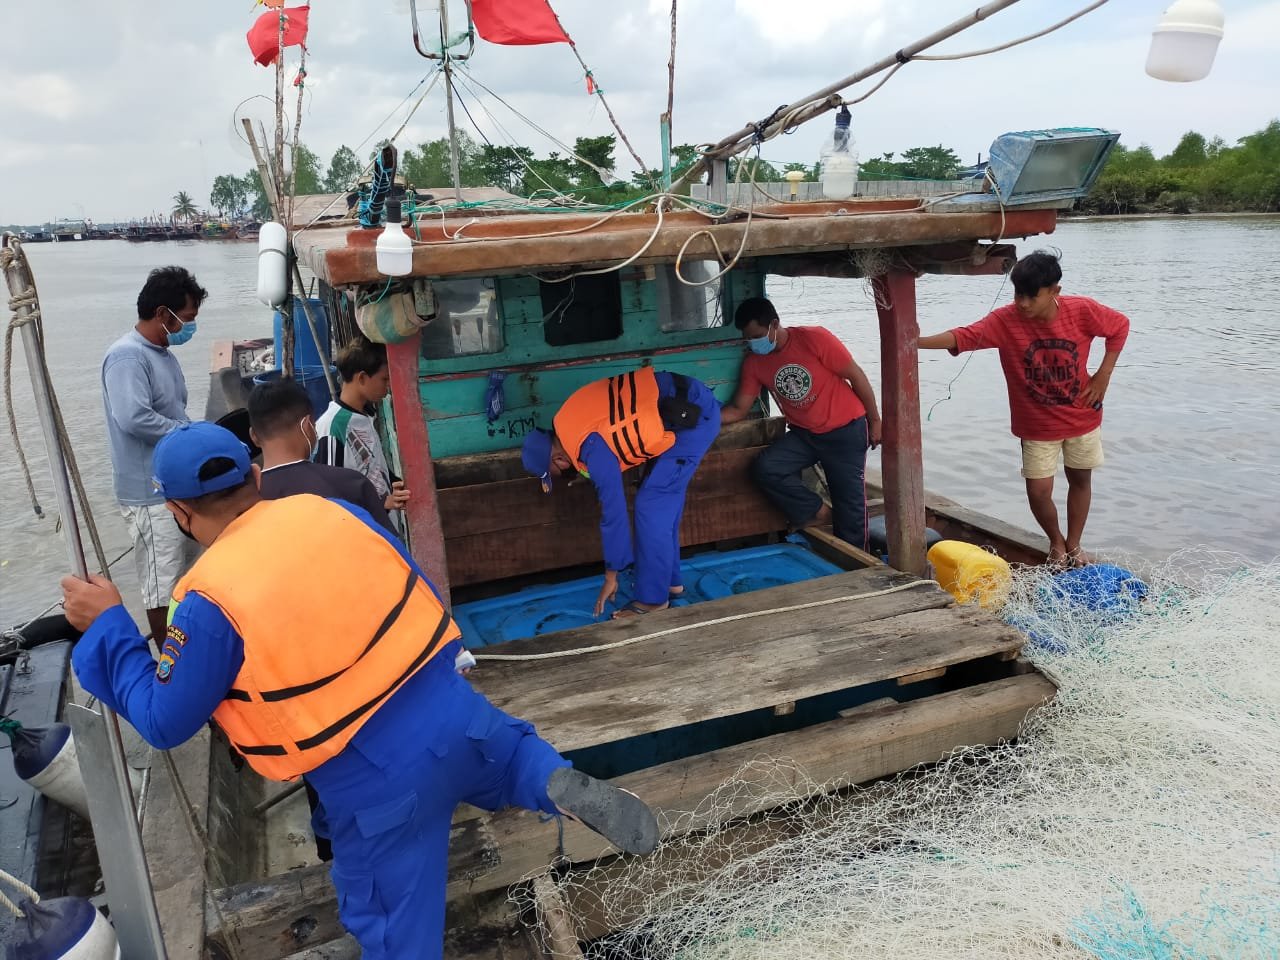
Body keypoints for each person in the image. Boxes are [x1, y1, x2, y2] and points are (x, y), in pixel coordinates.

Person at [60, 422, 658, 960]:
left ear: (175, 512)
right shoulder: (330, 512)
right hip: (458, 714)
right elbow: (408, 581)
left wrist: (111, 624)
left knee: (397, 927)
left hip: (375, 781)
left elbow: (165, 720)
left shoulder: (208, 598)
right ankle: (547, 779)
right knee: (509, 756)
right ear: (258, 475)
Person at [917, 250, 1129, 565]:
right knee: (1039, 491)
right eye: (1018, 294)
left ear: (1055, 291)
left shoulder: (1081, 311)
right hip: (1037, 424)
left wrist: (1103, 376)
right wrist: (915, 342)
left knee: (1081, 481)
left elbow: (1119, 327)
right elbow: (963, 336)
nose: (1023, 303)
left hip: (1083, 415)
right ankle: (1055, 541)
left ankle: (1074, 545)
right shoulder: (1006, 320)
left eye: (1032, 296)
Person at [521, 368, 720, 618]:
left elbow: (613, 513)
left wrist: (611, 576)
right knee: (661, 501)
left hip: (691, 417)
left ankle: (652, 601)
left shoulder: (589, 447)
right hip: (681, 404)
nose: (563, 476)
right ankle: (670, 582)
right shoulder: (565, 423)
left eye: (556, 473)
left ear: (559, 459)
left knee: (651, 505)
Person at [720, 297, 881, 551]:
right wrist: (704, 418)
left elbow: (856, 376)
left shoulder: (814, 339)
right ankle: (819, 513)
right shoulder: (754, 362)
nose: (754, 343)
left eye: (758, 336)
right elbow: (738, 409)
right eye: (748, 339)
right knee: (767, 468)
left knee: (850, 506)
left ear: (774, 324)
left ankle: (858, 563)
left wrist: (874, 420)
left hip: (845, 431)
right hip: (805, 436)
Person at [101, 266, 207, 646]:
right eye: (187, 318)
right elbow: (134, 418)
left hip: (177, 486)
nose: (189, 327)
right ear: (164, 314)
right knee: (161, 585)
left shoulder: (162, 353)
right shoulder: (127, 357)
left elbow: (174, 411)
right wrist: (190, 433)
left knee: (187, 576)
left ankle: (193, 652)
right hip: (148, 493)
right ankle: (168, 665)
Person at [248, 377, 394, 534]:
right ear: (308, 425)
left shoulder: (246, 502)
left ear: (254, 436)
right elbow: (390, 547)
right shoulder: (350, 484)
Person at [314, 336, 410, 520]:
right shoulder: (333, 427)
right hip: (363, 531)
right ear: (362, 378)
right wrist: (381, 502)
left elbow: (373, 466)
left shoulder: (364, 416)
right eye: (384, 379)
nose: (388, 386)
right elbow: (328, 495)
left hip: (383, 526)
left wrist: (393, 483)